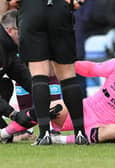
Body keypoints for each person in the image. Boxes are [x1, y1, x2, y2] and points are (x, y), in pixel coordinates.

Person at [0, 52, 115, 144]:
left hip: (103, 128)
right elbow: (90, 68)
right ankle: (4, 133)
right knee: (54, 106)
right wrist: (62, 65)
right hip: (81, 111)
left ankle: (59, 140)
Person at [18, 0, 88, 145]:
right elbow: (77, 2)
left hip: (32, 10)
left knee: (39, 75)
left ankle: (44, 134)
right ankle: (80, 133)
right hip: (59, 10)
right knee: (68, 76)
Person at [0, 9, 33, 142]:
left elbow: (23, 76)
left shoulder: (10, 48)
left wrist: (44, 95)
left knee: (6, 86)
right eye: (23, 31)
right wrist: (13, 114)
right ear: (10, 30)